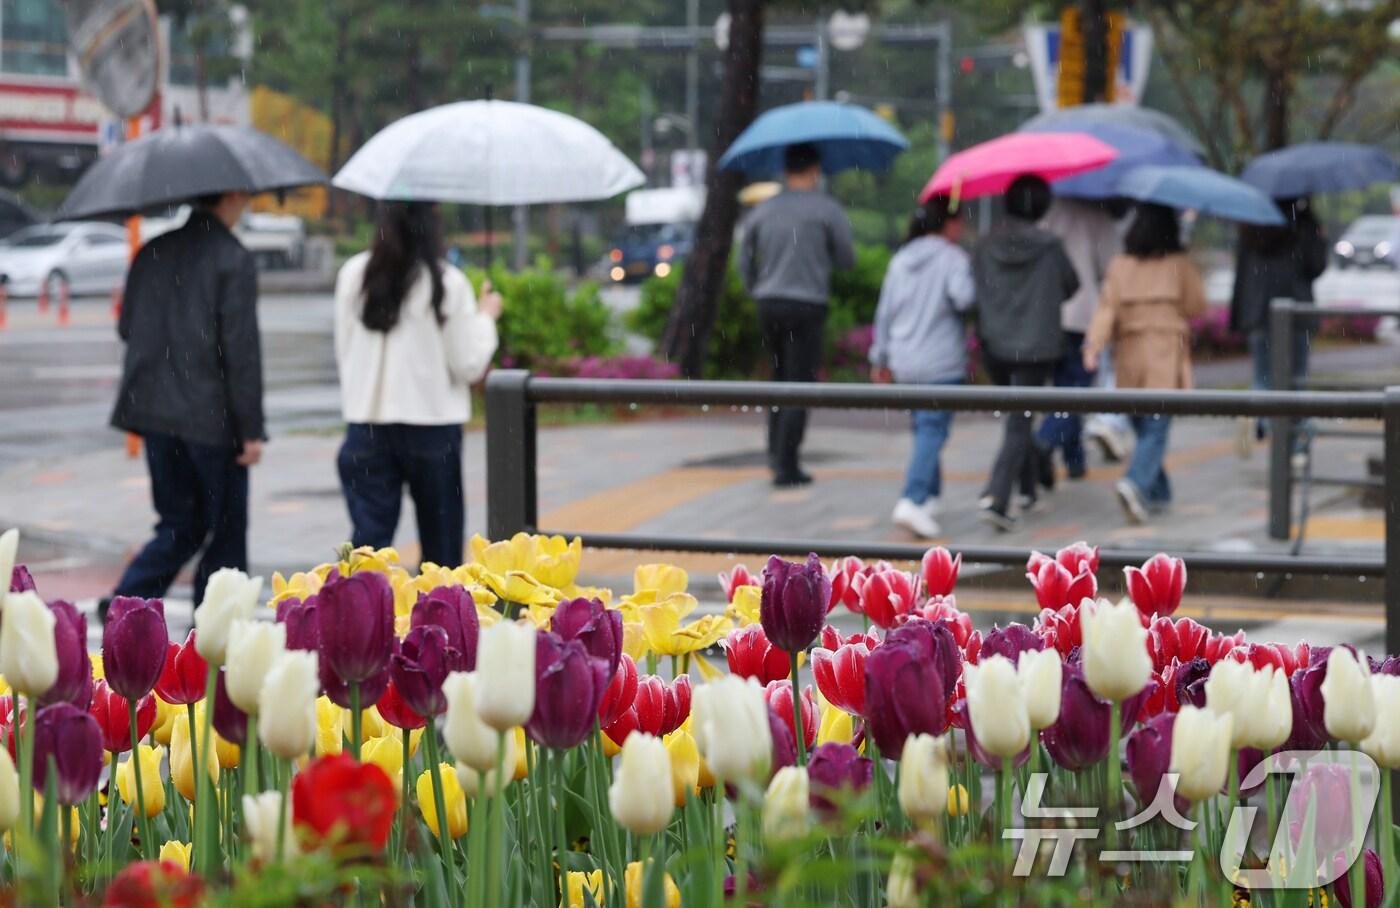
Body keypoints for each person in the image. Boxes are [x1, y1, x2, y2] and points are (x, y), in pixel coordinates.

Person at [110, 192, 263, 605]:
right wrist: (251, 430)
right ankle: (215, 632)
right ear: (230, 197)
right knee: (226, 533)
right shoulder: (233, 259)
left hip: (155, 415)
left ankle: (128, 602)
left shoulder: (151, 251)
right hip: (213, 421)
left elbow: (127, 328)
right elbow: (240, 351)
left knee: (179, 522)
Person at [334, 202, 501, 567]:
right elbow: (469, 364)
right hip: (433, 428)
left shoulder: (354, 275)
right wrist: (486, 318)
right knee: (441, 550)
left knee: (367, 550)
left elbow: (345, 350)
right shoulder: (447, 282)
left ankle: (356, 621)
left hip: (368, 424)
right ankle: (437, 623)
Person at [740, 142, 856, 487]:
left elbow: (743, 259)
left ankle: (775, 453)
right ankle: (787, 463)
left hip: (768, 303)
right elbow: (847, 259)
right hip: (807, 305)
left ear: (785, 169)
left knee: (777, 380)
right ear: (815, 170)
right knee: (799, 383)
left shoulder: (763, 210)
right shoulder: (826, 209)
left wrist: (756, 288)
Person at [1084, 203, 1206, 523]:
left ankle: (1158, 493)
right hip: (1165, 353)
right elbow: (1196, 307)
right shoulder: (1179, 265)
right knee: (1156, 427)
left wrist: (1093, 347)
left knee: (1146, 425)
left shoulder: (1120, 266)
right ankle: (1135, 483)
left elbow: (1106, 310)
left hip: (1130, 354)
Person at [971, 175, 1080, 531]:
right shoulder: (1050, 245)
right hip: (1035, 347)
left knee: (1018, 417)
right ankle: (996, 497)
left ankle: (1030, 488)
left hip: (995, 346)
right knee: (1020, 420)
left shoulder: (985, 244)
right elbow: (1071, 285)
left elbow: (976, 290)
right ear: (1044, 206)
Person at [869, 197, 975, 539]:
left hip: (904, 360)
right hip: (940, 361)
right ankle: (912, 500)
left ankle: (929, 497)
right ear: (949, 224)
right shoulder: (953, 258)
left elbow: (884, 312)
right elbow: (964, 299)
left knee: (923, 426)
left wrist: (880, 358)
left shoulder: (901, 259)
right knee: (932, 429)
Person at [1228, 197, 1327, 455]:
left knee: (1262, 377)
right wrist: (1318, 234)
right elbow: (1316, 266)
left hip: (1258, 309)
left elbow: (1241, 270)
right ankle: (1294, 447)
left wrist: (1239, 315)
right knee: (1296, 381)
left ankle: (1258, 417)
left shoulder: (1253, 219)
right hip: (1296, 310)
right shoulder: (1303, 221)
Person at [1034, 197, 1123, 484]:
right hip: (1083, 315)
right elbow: (1112, 266)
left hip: (1046, 315)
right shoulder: (1097, 216)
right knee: (1077, 392)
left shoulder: (1046, 210)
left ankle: (1075, 461)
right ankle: (1045, 440)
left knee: (1062, 388)